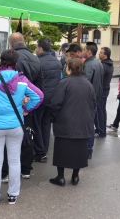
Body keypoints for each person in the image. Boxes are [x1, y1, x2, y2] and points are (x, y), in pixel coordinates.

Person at [0, 49, 43, 205]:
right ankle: (13, 195)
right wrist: (25, 109)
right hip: (15, 125)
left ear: (1, 62)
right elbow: (39, 96)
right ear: (16, 63)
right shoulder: (22, 80)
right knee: (14, 161)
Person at [48, 58, 96, 187]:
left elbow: (56, 103)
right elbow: (93, 103)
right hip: (83, 123)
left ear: (68, 69)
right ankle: (75, 176)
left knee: (61, 151)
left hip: (65, 122)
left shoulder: (63, 83)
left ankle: (61, 177)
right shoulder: (88, 84)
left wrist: (53, 118)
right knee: (79, 151)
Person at [5, 32, 44, 179]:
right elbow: (40, 84)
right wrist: (29, 100)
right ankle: (26, 169)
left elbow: (12, 84)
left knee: (11, 138)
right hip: (30, 104)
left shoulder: (13, 59)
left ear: (11, 45)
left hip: (15, 105)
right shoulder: (36, 58)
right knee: (28, 135)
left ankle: (10, 169)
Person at [33, 39, 62, 163]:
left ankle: (39, 151)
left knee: (37, 124)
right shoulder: (57, 62)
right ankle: (44, 150)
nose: (35, 49)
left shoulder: (38, 62)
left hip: (40, 98)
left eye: (36, 47)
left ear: (40, 48)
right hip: (53, 98)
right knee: (46, 125)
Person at [82, 42, 104, 159]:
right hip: (96, 98)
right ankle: (88, 150)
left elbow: (85, 82)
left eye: (84, 49)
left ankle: (87, 150)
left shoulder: (89, 64)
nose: (83, 51)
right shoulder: (98, 63)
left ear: (89, 52)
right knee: (90, 124)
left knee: (88, 125)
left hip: (88, 99)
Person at [95, 47, 114, 138]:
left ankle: (101, 131)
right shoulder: (109, 64)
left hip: (102, 90)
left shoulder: (103, 65)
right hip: (105, 89)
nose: (99, 54)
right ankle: (100, 130)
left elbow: (98, 79)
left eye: (101, 53)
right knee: (101, 110)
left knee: (100, 111)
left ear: (105, 55)